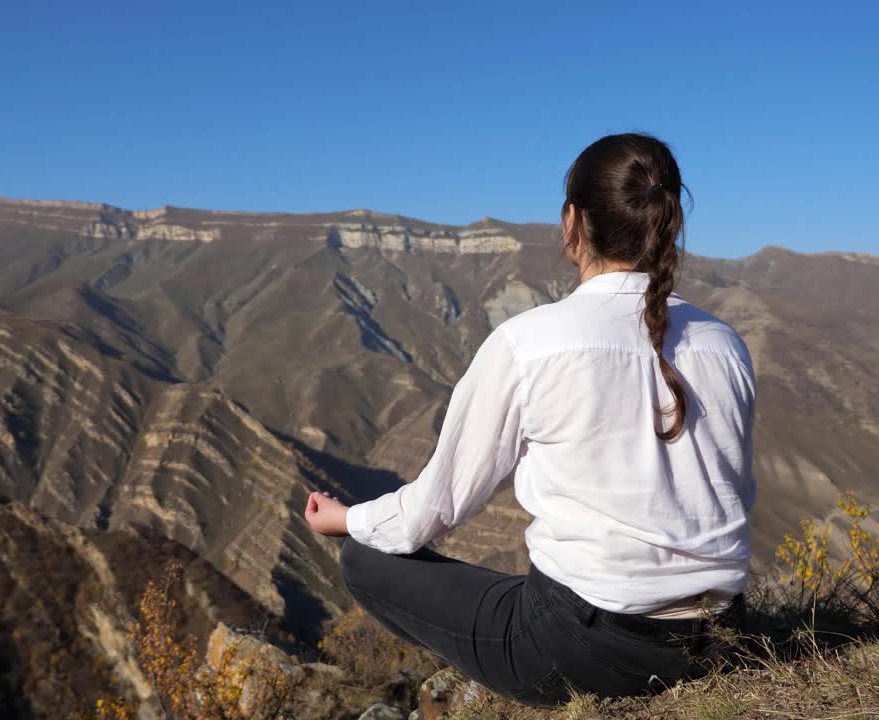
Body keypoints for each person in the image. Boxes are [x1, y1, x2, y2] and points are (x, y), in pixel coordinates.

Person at [302, 133, 756, 708]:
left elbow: (434, 509)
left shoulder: (530, 343)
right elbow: (735, 492)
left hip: (593, 647)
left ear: (573, 222)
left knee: (364, 559)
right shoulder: (725, 343)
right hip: (722, 636)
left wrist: (347, 519)